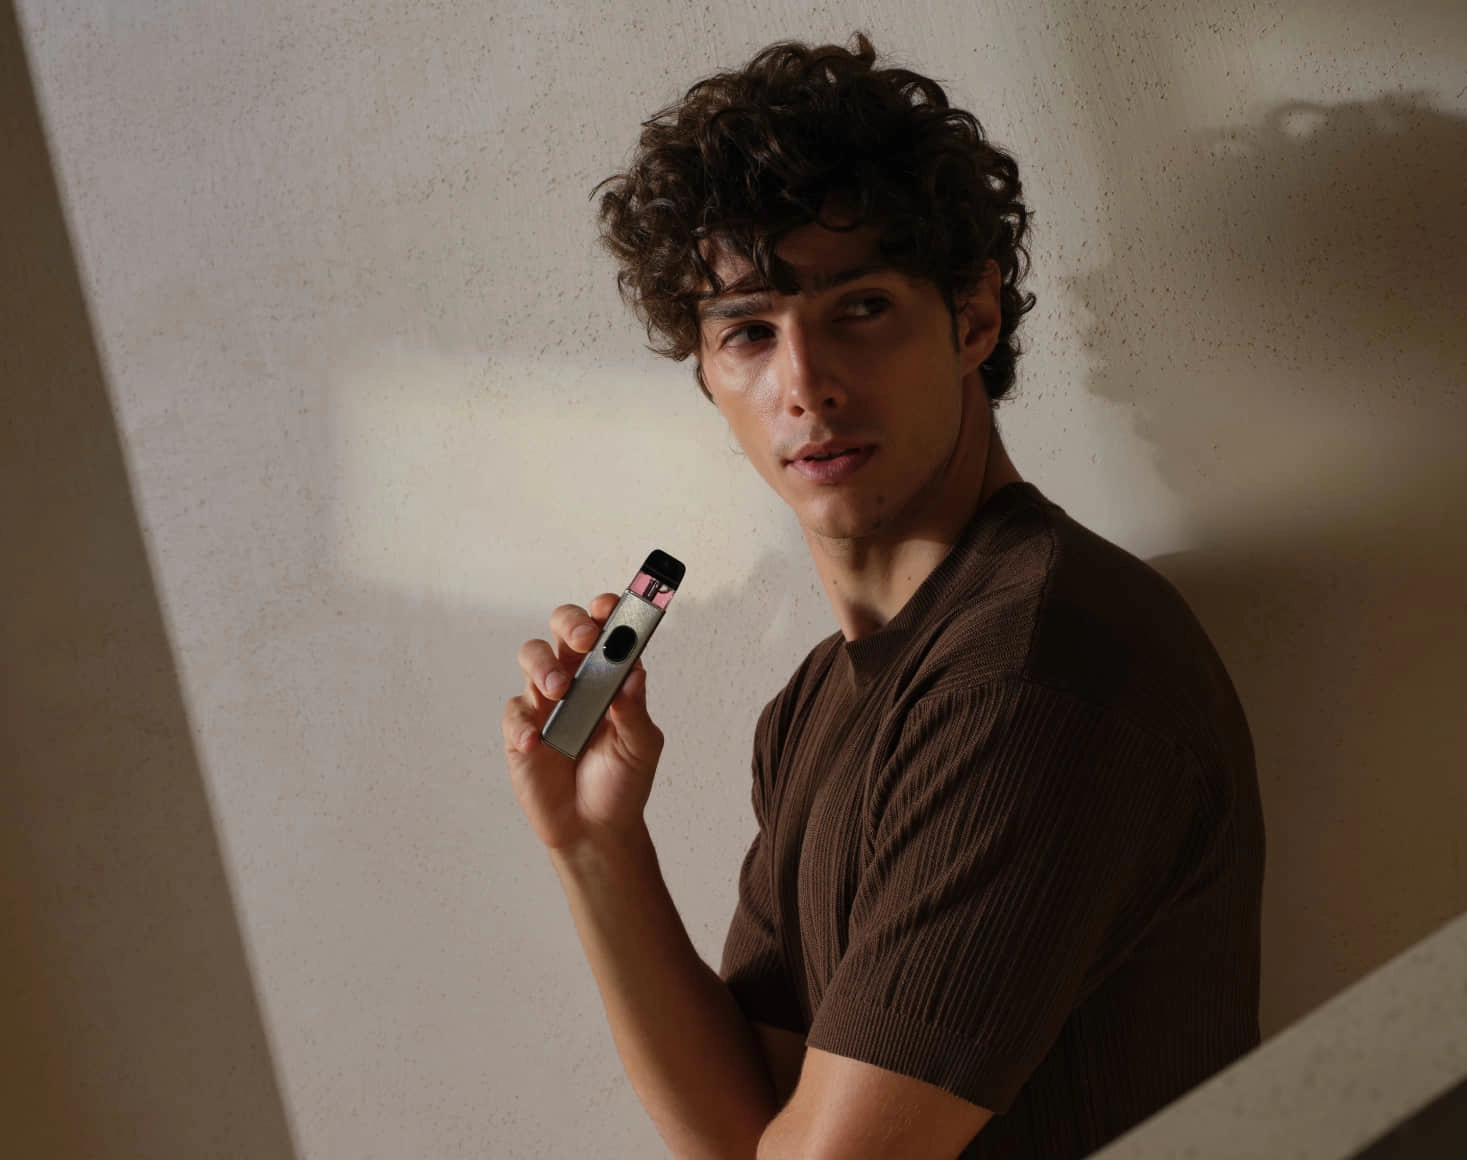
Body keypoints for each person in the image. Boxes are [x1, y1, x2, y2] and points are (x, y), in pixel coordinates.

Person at [503, 33, 1263, 1160]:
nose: (804, 384)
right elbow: (747, 1132)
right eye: (748, 331)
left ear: (972, 317)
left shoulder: (1036, 671)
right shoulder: (819, 700)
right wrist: (594, 844)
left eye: (858, 308)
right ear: (708, 373)